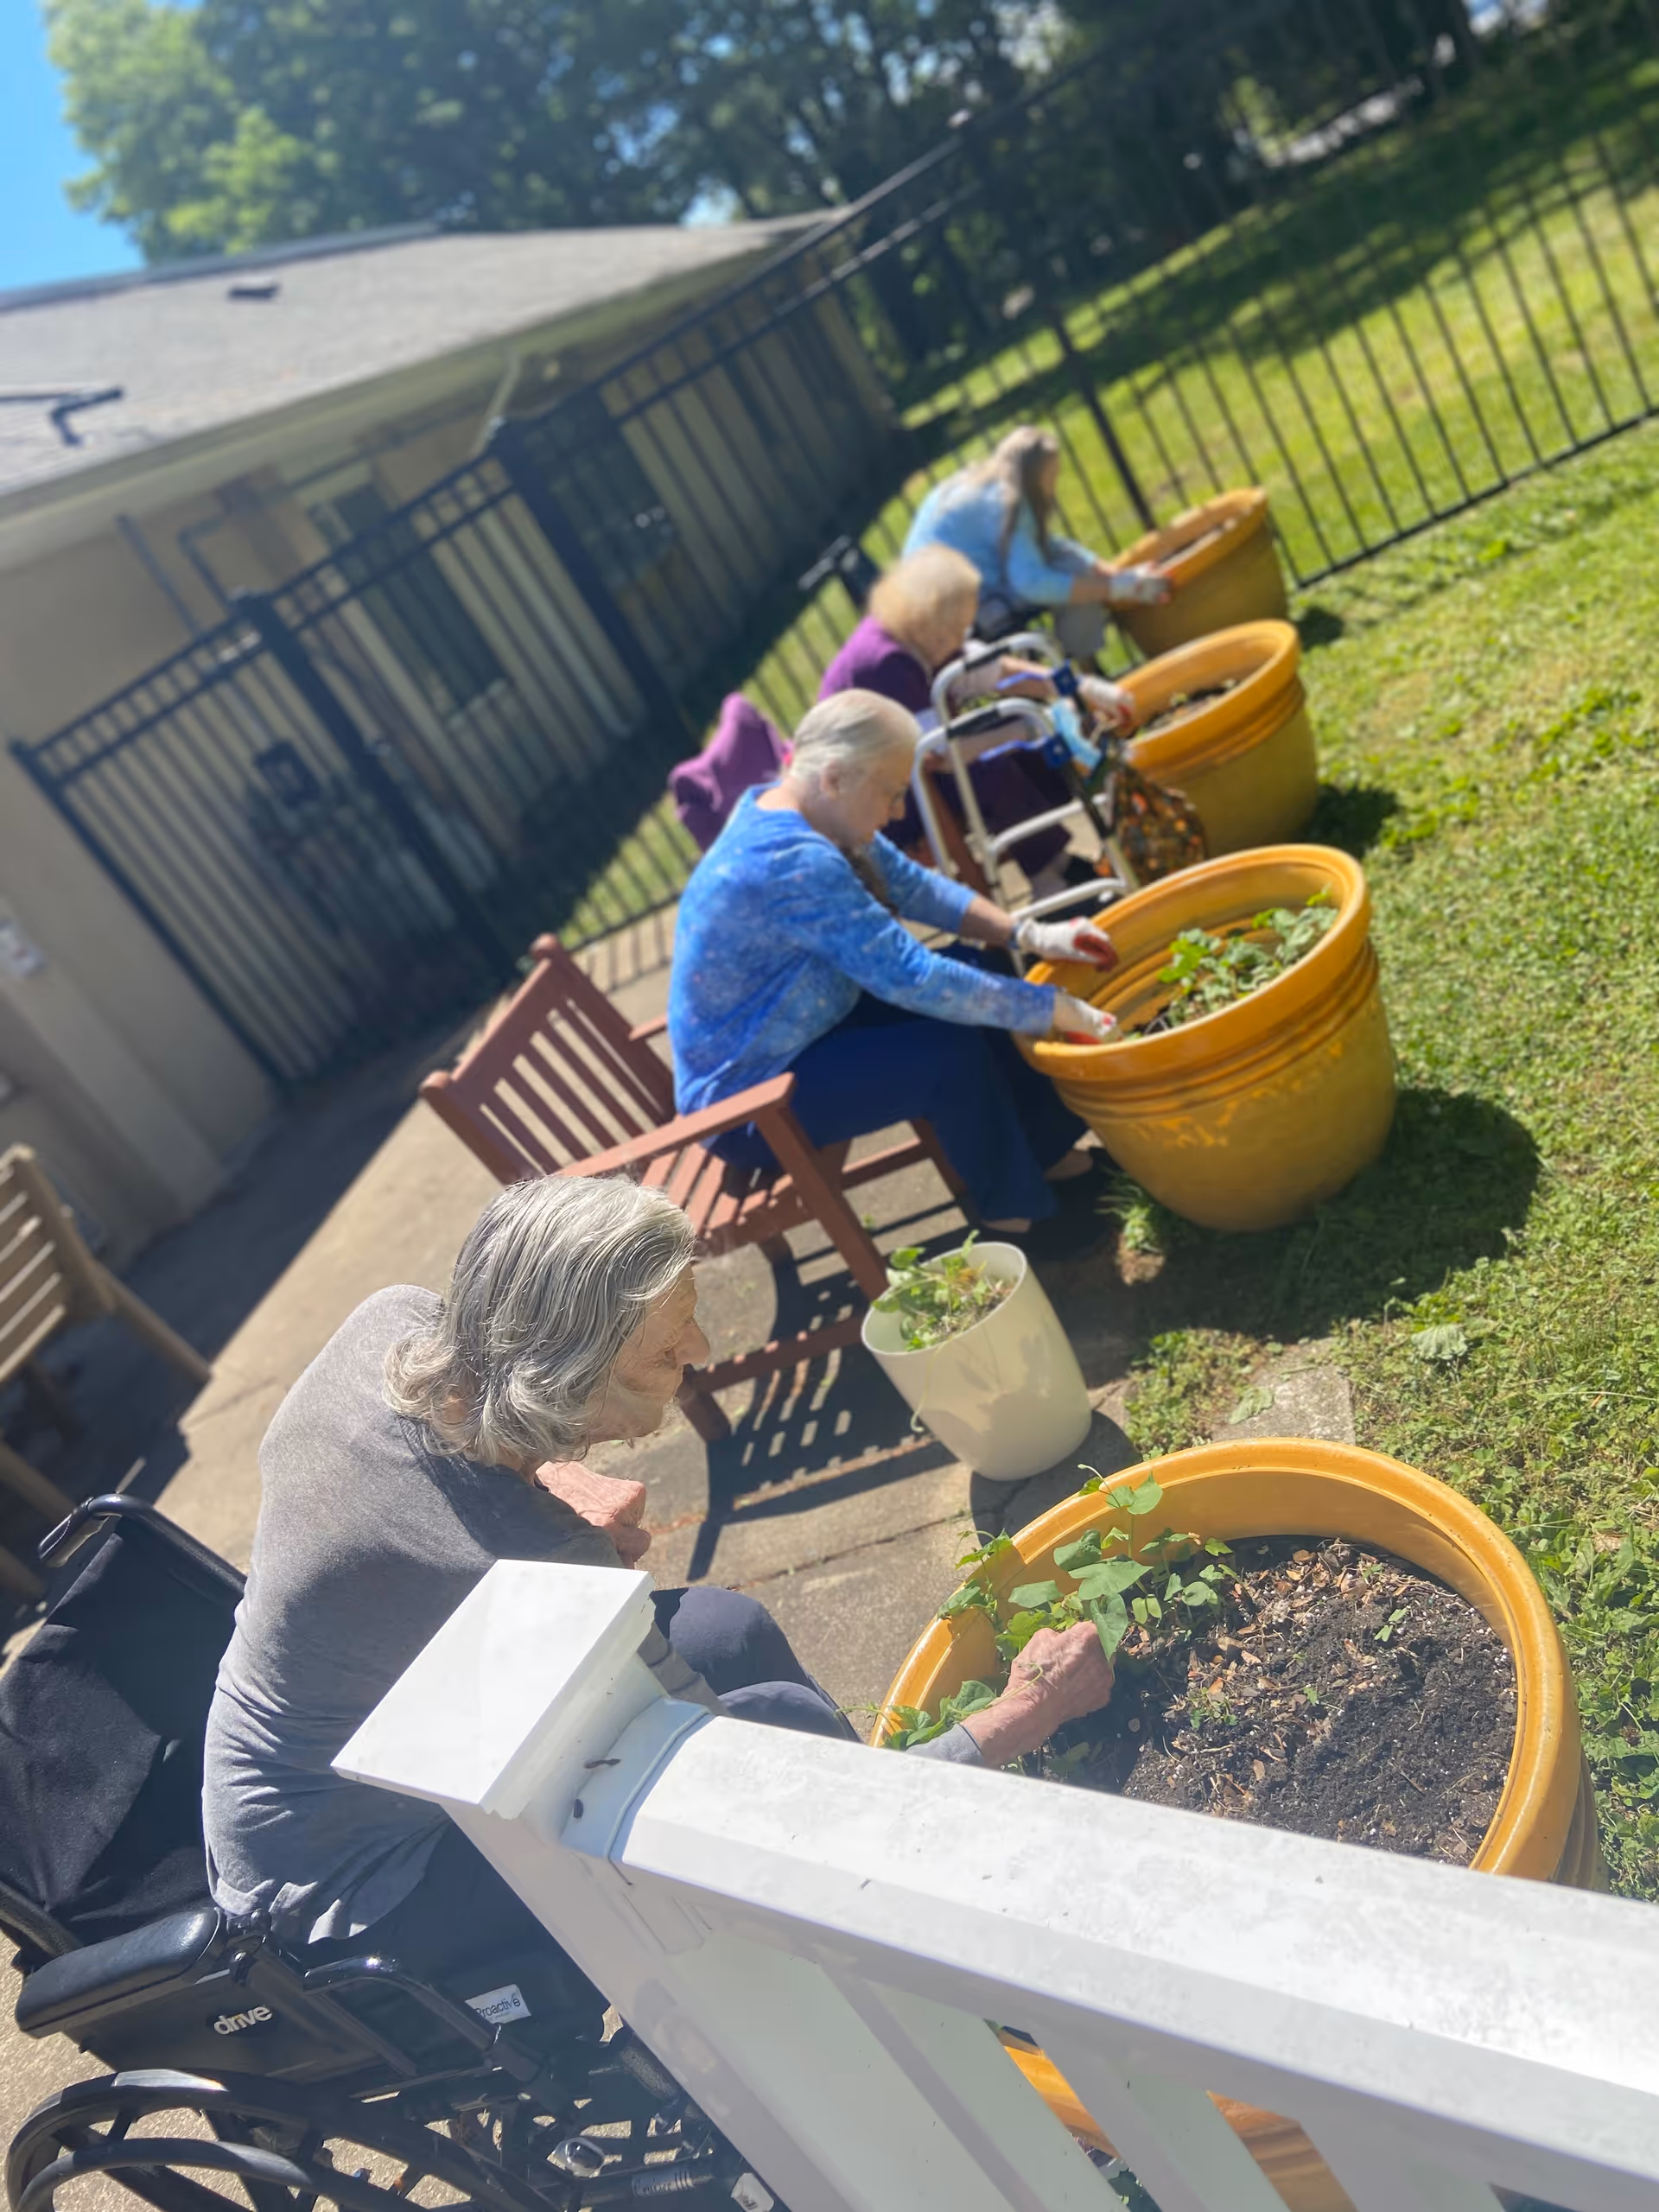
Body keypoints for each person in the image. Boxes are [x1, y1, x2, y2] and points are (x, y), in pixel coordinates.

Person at [201, 1176, 1116, 1993]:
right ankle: (873, 1917)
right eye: (667, 1354)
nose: (704, 1350)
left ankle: (865, 1908)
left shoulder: (392, 1326)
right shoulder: (524, 1566)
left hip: (374, 1736)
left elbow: (410, 1499)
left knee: (727, 1627)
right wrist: (1017, 1717)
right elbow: (772, 1809)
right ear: (566, 1386)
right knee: (779, 1733)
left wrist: (541, 1477)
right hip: (359, 1882)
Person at [668, 689, 1123, 1265]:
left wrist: (1027, 934)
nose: (900, 811)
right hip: (748, 1098)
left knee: (976, 972)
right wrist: (1049, 1006)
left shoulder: (793, 807)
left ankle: (1053, 1157)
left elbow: (914, 887)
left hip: (801, 1035)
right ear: (835, 778)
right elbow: (915, 979)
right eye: (890, 792)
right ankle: (1017, 1219)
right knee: (944, 1053)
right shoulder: (794, 864)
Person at [819, 543, 1136, 905]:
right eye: (958, 626)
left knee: (1026, 751)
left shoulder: (914, 632)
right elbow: (937, 753)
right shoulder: (884, 662)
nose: (964, 634)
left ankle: (1057, 866)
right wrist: (1023, 728)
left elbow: (990, 669)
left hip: (907, 773)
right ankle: (1051, 878)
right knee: (992, 766)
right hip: (883, 804)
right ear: (935, 618)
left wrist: (1078, 687)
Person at [904, 424, 1174, 664]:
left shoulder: (974, 484)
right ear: (1036, 475)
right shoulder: (1009, 502)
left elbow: (1042, 545)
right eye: (1053, 475)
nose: (1053, 486)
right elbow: (1032, 582)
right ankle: (1085, 676)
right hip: (963, 613)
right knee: (1071, 573)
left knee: (1072, 567)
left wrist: (1111, 572)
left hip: (924, 605)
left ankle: (1084, 675)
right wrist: (1114, 588)